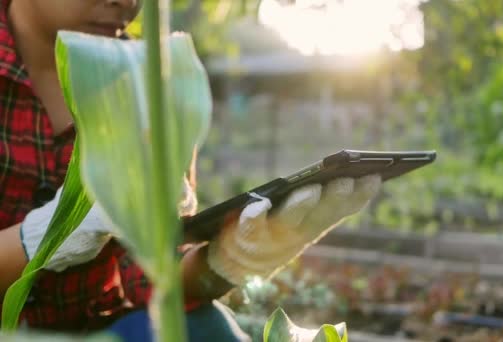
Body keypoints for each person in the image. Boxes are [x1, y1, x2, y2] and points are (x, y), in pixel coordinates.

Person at [0, 0, 382, 341]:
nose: (126, 3)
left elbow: (152, 285)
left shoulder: (151, 81)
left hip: (105, 329)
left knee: (203, 327)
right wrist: (41, 237)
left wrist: (231, 260)